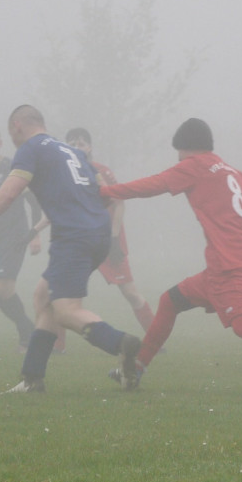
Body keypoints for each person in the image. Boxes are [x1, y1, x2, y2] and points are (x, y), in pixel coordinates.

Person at [99, 118, 242, 395]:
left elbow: (152, 185)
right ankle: (136, 370)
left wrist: (103, 193)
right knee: (170, 301)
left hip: (229, 265)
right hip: (227, 264)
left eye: (179, 152)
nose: (177, 158)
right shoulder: (225, 168)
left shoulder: (194, 167)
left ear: (187, 148)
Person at [0, 105, 141, 393]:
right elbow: (105, 193)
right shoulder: (73, 152)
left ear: (17, 126)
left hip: (73, 237)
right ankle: (32, 379)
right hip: (97, 233)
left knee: (65, 311)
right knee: (43, 296)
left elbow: (8, 194)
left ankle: (121, 343)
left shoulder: (30, 148)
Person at [64, 127, 156, 333]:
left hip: (107, 240)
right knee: (60, 294)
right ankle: (57, 346)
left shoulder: (101, 171)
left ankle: (155, 338)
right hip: (82, 241)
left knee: (130, 292)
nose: (77, 147)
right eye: (71, 144)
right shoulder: (65, 173)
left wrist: (114, 239)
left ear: (89, 147)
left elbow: (119, 202)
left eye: (81, 143)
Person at [0, 127, 42, 350]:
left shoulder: (14, 168)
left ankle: (26, 333)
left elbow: (34, 203)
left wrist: (34, 235)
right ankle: (27, 327)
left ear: (0, 143)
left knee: (5, 290)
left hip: (16, 236)